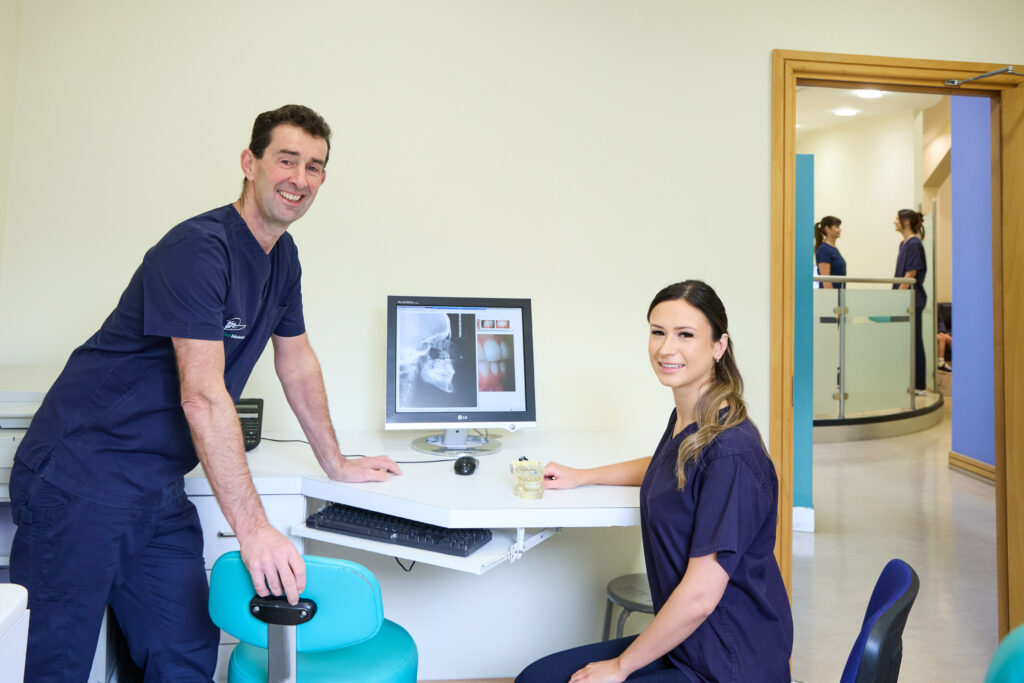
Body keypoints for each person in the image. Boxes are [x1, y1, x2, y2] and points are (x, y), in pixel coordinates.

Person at [8, 104, 402, 681]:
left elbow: (296, 362)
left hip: (157, 486)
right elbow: (203, 394)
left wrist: (336, 463)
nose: (299, 178)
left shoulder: (281, 258)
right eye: (286, 160)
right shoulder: (199, 248)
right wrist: (255, 530)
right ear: (250, 163)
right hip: (80, 477)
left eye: (314, 166)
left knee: (184, 653)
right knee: (55, 662)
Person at [516, 281, 792, 683]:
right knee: (536, 678)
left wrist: (620, 667)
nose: (666, 348)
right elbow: (670, 465)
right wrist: (584, 477)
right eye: (658, 332)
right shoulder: (693, 417)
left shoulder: (732, 454)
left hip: (727, 662)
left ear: (718, 346)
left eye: (685, 335)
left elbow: (700, 597)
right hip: (687, 642)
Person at [892, 208, 928, 392]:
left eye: (897, 219)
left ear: (906, 222)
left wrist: (898, 296)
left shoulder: (914, 244)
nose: (894, 222)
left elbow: (911, 273)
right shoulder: (904, 244)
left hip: (912, 301)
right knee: (906, 342)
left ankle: (920, 385)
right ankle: (909, 382)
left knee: (915, 342)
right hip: (905, 300)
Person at [814, 215, 846, 289]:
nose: (840, 230)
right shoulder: (824, 250)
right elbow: (826, 281)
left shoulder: (834, 249)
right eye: (837, 227)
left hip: (838, 295)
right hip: (830, 297)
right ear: (827, 229)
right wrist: (831, 299)